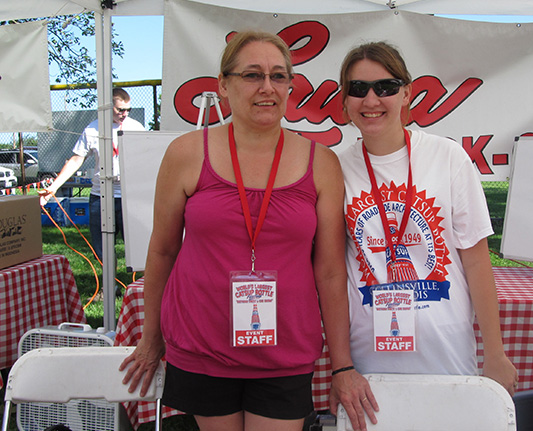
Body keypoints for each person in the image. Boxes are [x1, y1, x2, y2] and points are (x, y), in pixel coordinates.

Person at [119, 31, 377, 431]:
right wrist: (151, 337)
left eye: (278, 76)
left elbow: (329, 271)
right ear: (223, 84)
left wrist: (342, 364)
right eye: (252, 75)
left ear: (291, 86)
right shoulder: (187, 153)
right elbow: (163, 250)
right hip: (202, 344)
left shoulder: (320, 163)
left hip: (285, 349)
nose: (267, 88)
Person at [338, 42, 518, 399]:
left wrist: (495, 354)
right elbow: (328, 270)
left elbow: (477, 259)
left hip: (447, 355)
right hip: (370, 365)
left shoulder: (447, 156)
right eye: (358, 89)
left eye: (385, 87)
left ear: (406, 93)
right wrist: (341, 367)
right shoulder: (336, 168)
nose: (371, 101)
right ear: (345, 101)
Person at [39, 88, 145, 260]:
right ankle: (110, 286)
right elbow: (75, 160)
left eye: (128, 110)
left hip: (129, 196)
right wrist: (53, 188)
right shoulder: (93, 129)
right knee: (102, 249)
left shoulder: (136, 127)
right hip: (100, 196)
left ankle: (141, 285)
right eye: (120, 110)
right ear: (108, 107)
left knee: (137, 248)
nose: (124, 114)